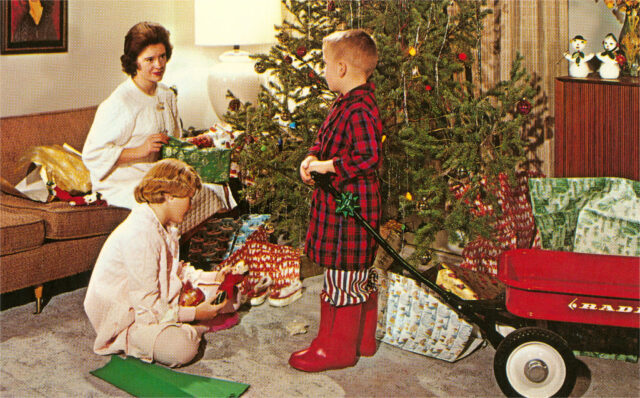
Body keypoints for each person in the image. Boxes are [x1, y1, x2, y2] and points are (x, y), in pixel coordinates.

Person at [84, 159, 243, 368]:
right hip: (129, 317)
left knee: (233, 296)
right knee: (179, 349)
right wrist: (195, 314)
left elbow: (175, 270)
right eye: (189, 198)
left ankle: (188, 320)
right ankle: (196, 327)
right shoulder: (141, 234)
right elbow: (147, 307)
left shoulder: (164, 226)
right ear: (168, 196)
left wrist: (213, 277)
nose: (191, 205)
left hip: (160, 299)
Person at [290, 29, 382, 372]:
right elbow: (326, 139)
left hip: (351, 208)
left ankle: (338, 349)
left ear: (342, 68)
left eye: (326, 63)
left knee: (345, 274)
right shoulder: (344, 103)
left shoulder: (360, 109)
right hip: (338, 205)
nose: (323, 69)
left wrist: (327, 166)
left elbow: (368, 156)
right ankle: (360, 339)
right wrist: (311, 158)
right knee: (346, 273)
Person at [82, 22, 234, 226]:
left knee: (211, 190)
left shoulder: (166, 95)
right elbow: (92, 155)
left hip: (161, 177)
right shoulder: (120, 102)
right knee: (173, 203)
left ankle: (192, 252)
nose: (159, 65)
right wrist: (141, 150)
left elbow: (176, 138)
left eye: (162, 56)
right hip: (125, 183)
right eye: (150, 59)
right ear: (134, 62)